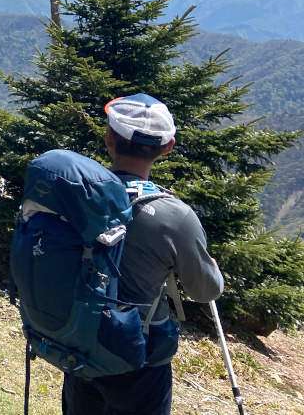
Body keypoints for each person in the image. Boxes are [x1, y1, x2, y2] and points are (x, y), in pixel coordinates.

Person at [63, 94, 225, 415]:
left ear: (109, 137)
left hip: (81, 344)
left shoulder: (76, 194)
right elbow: (205, 291)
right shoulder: (175, 216)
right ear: (167, 147)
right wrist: (213, 270)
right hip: (141, 358)